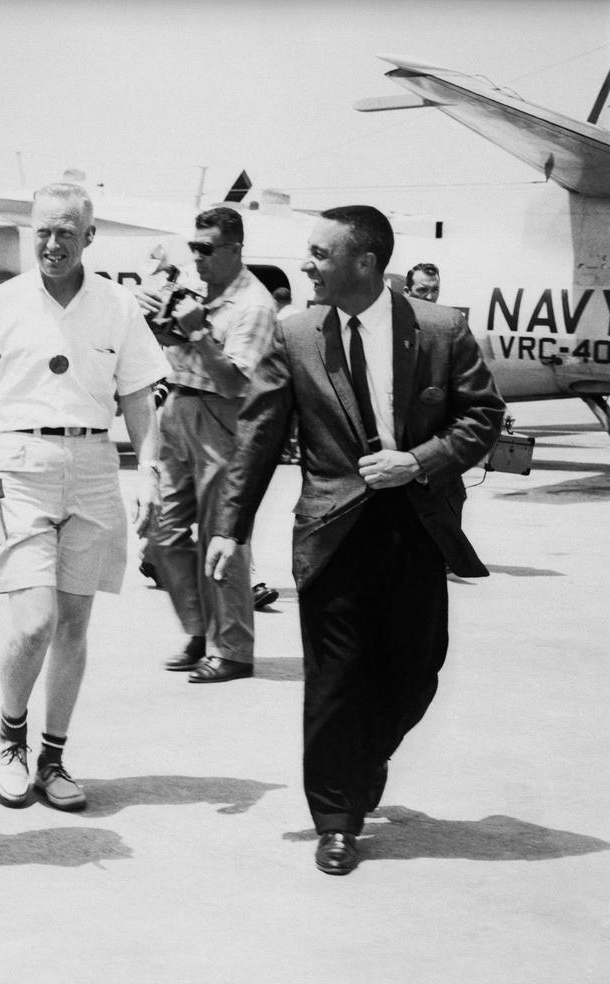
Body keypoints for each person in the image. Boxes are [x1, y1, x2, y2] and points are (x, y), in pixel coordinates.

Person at [206, 205, 504, 875]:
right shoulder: (296, 336)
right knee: (335, 681)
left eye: (319, 253)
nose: (305, 263)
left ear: (364, 263)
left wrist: (420, 460)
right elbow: (257, 436)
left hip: (417, 526)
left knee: (416, 671)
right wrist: (230, 527)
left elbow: (483, 415)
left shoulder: (440, 328)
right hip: (332, 530)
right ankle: (336, 819)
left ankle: (364, 758)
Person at [0, 182, 169, 811]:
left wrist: (152, 474)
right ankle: (10, 740)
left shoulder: (119, 306)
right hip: (21, 465)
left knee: (75, 625)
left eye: (66, 232)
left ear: (89, 237)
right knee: (34, 623)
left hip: (93, 465)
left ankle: (54, 758)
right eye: (43, 232)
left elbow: (138, 396)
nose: (53, 243)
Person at [139, 207, 277, 682]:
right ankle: (201, 630)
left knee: (223, 535)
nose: (196, 257)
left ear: (236, 250)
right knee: (164, 532)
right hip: (178, 404)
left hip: (222, 414)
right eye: (193, 246)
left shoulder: (254, 305)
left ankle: (233, 648)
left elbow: (237, 381)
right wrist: (158, 322)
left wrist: (197, 330)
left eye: (207, 248)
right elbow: (173, 345)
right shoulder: (198, 290)